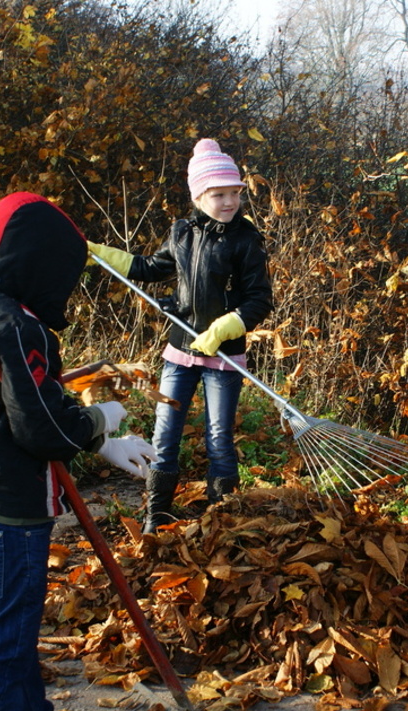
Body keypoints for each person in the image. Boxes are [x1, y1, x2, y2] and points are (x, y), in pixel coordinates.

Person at [0, 192, 157, 711]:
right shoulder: (17, 327)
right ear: (38, 262)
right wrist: (98, 421)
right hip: (13, 507)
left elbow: (20, 401)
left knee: (13, 626)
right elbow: (39, 427)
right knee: (1, 640)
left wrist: (99, 441)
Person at [88, 138, 274, 533]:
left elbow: (260, 300)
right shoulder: (182, 233)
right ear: (199, 196)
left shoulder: (246, 241)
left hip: (224, 359)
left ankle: (220, 519)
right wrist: (101, 252)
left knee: (219, 437)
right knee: (166, 433)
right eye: (218, 194)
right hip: (180, 353)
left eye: (235, 194)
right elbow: (149, 267)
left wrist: (224, 328)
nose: (229, 202)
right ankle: (157, 513)